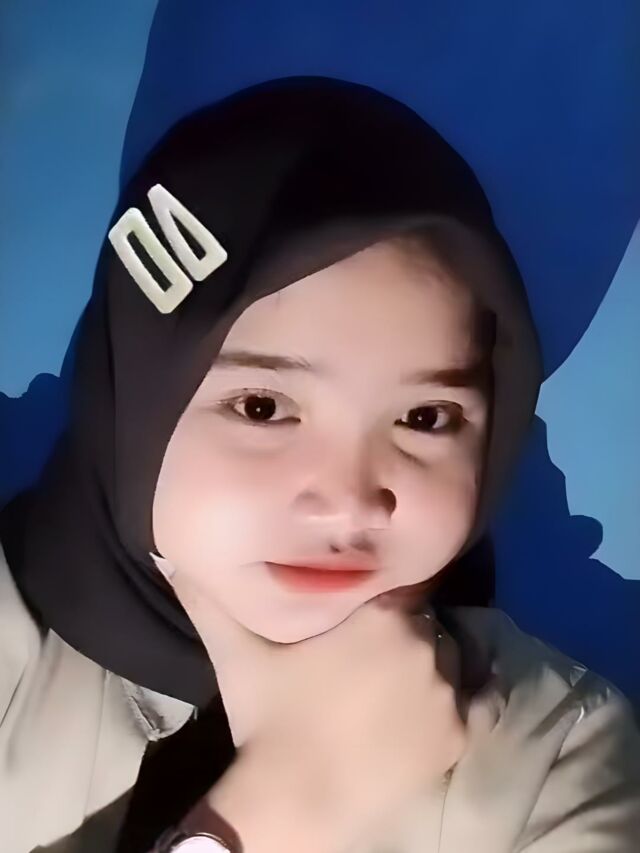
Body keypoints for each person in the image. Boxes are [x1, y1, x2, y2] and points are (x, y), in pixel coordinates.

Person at [0, 76, 638, 853]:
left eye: (425, 418)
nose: (351, 502)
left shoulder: (557, 753)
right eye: (263, 406)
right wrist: (287, 805)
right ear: (129, 399)